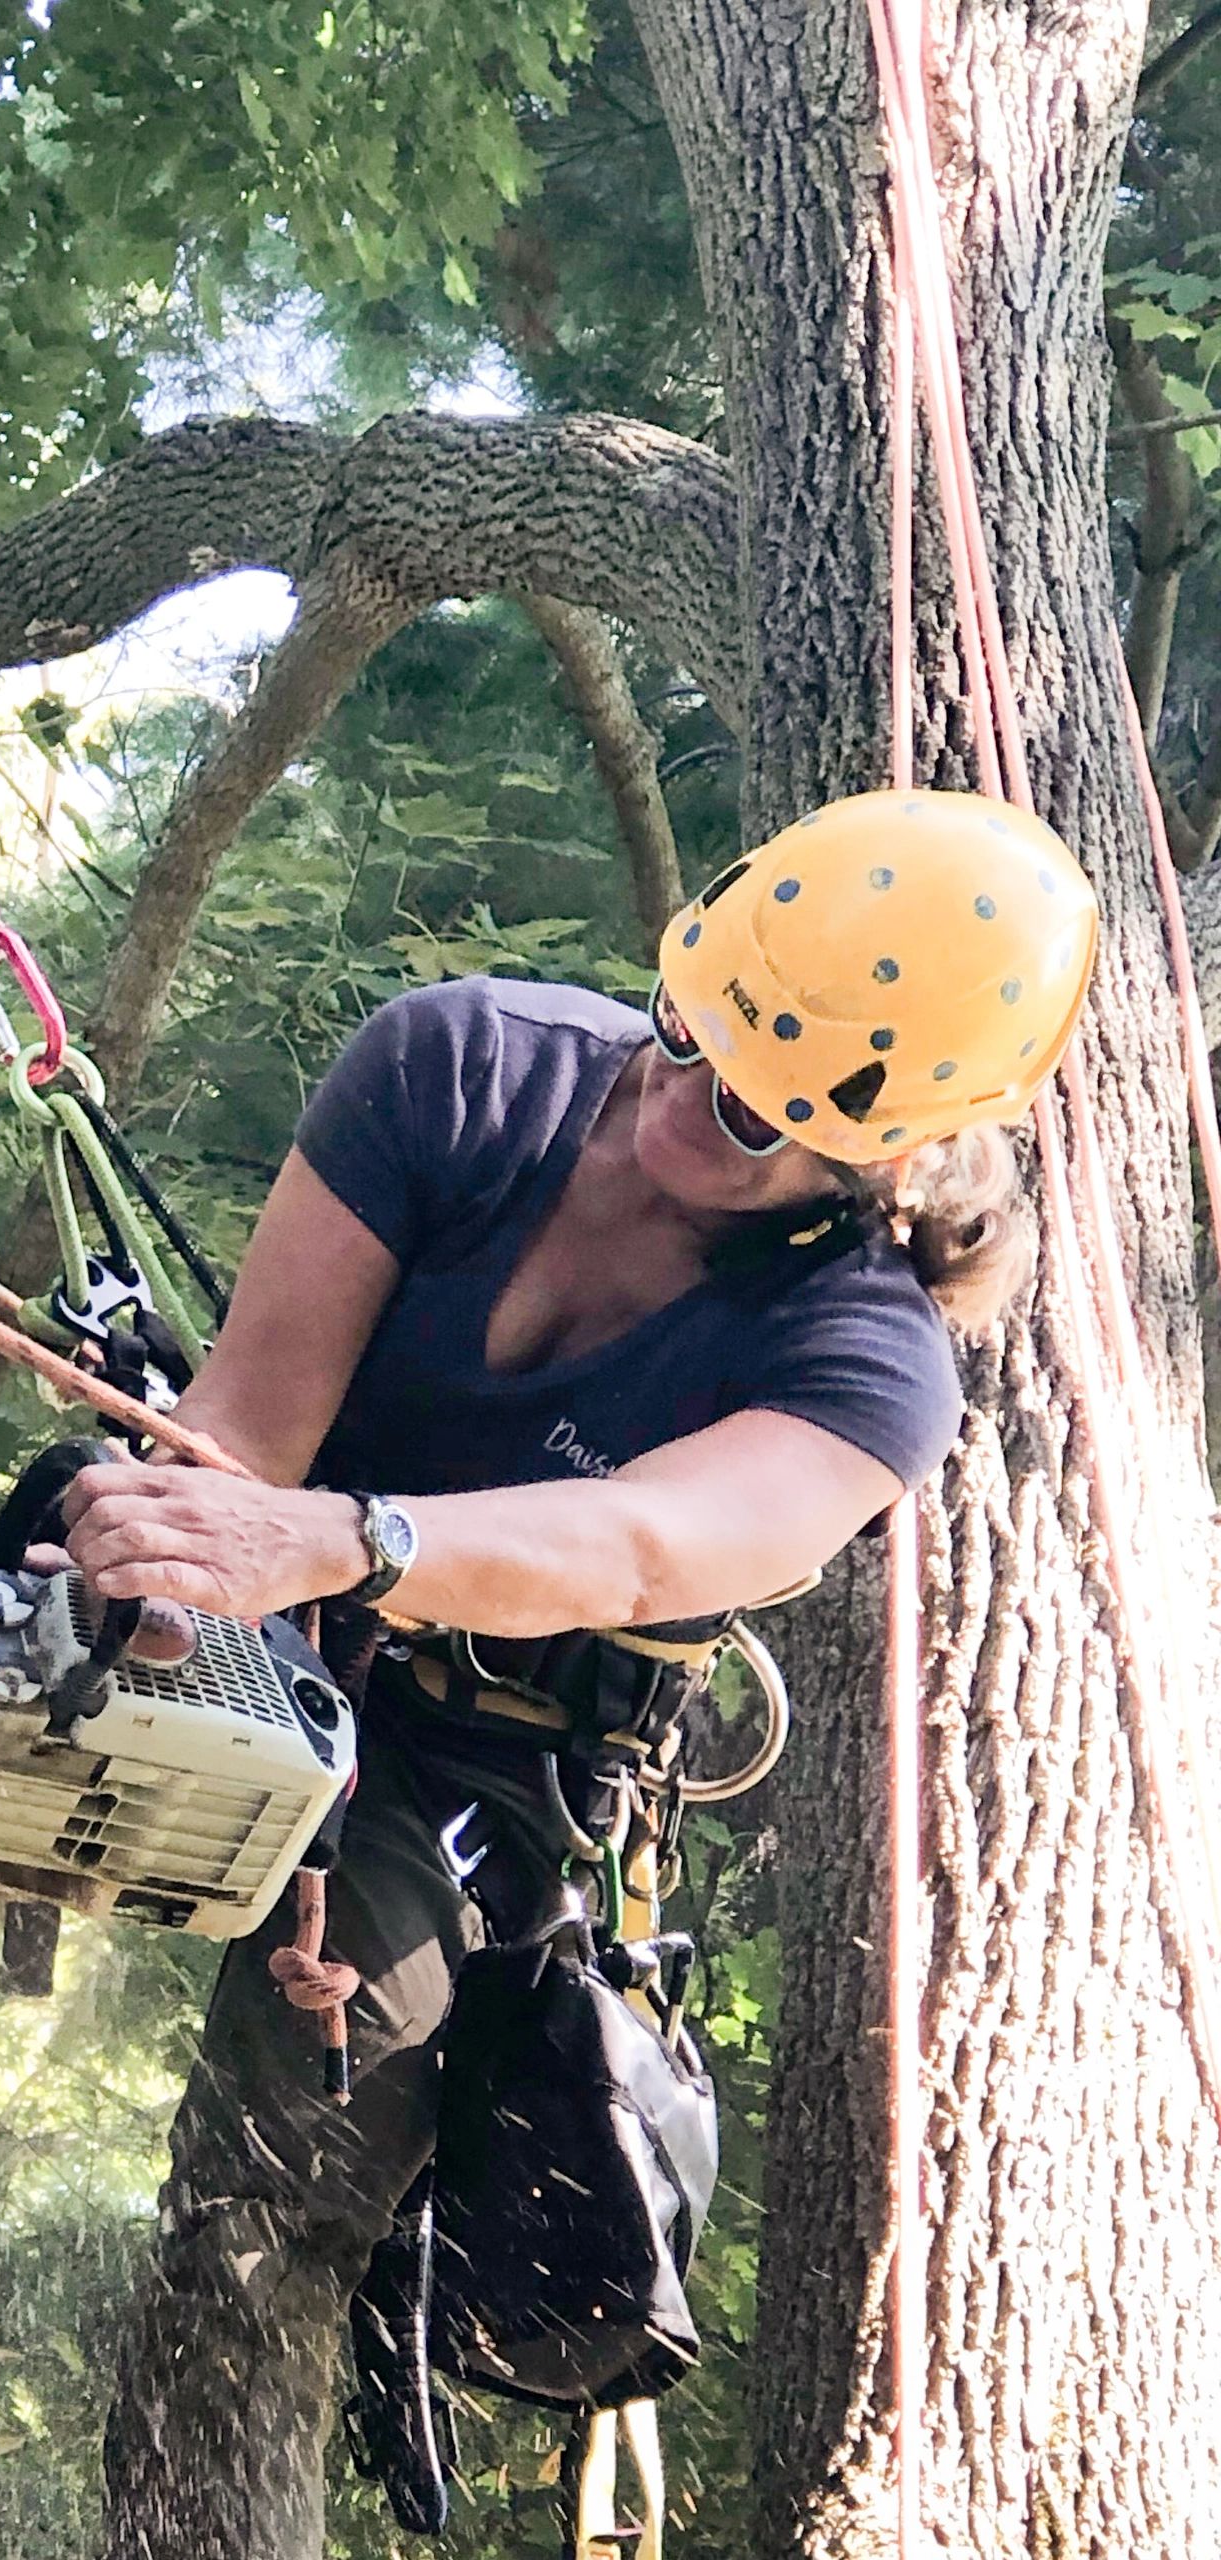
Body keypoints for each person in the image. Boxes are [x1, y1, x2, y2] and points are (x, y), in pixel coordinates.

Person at [56, 790, 1098, 2560]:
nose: (696, 1106)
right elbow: (246, 1430)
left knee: (297, 2150)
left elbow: (646, 1545)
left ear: (891, 1150)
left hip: (481, 1754)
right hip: (281, 1602)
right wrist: (180, 1578)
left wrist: (352, 1556)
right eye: (695, 1037)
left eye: (770, 1111)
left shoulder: (864, 1356)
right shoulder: (461, 1068)